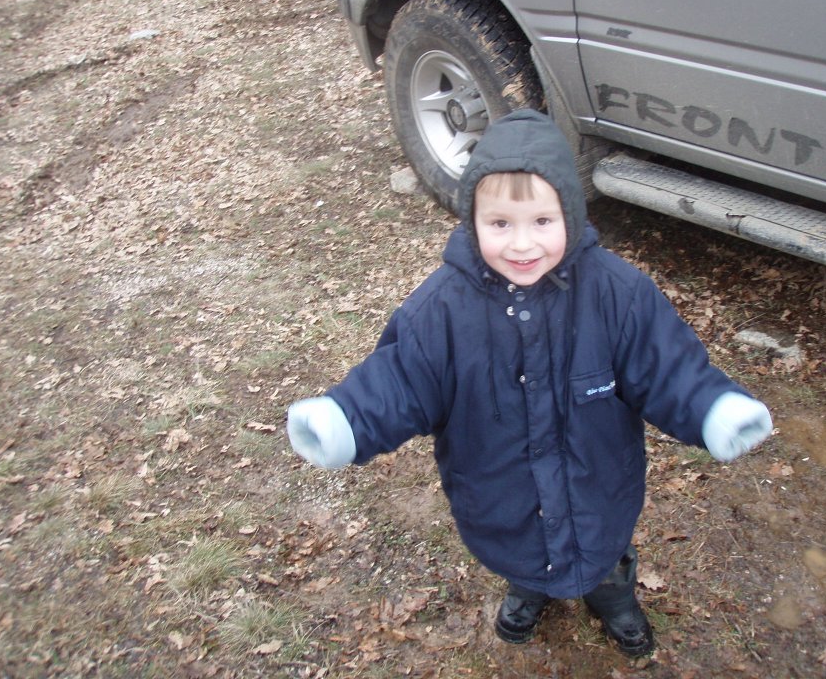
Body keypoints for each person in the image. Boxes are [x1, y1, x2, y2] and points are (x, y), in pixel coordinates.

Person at [286, 109, 772, 657]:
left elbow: (667, 367)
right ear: (472, 221)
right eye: (500, 224)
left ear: (571, 213)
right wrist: (345, 420)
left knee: (603, 550)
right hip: (500, 486)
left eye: (542, 221)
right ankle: (528, 587)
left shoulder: (617, 294)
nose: (522, 244)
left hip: (596, 482)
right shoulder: (441, 309)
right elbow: (399, 378)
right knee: (522, 551)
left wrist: (714, 408)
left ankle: (613, 596)